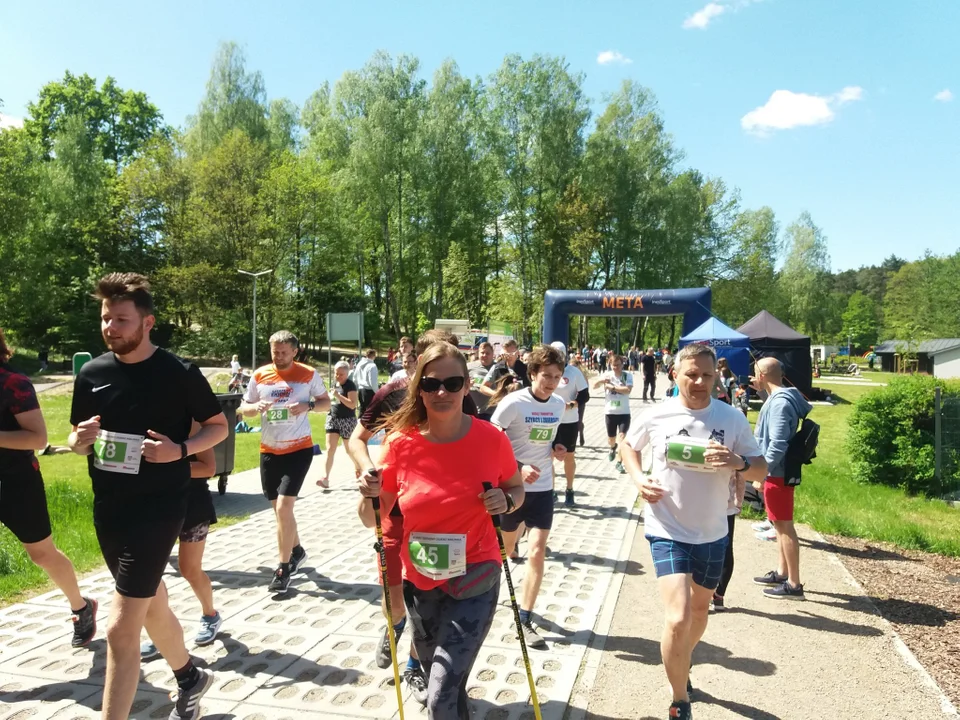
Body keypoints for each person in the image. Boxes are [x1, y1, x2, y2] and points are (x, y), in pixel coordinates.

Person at [68, 273, 229, 720]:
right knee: (152, 605)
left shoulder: (178, 373)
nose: (110, 327)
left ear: (148, 322)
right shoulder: (92, 372)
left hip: (159, 510)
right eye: (105, 319)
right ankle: (190, 675)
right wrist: (79, 439)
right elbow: (79, 441)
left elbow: (219, 426)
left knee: (122, 630)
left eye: (121, 319)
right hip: (109, 510)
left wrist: (178, 450)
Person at [357, 341, 523, 720]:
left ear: (467, 386)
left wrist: (507, 502)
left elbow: (517, 489)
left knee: (440, 693)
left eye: (452, 382)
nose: (442, 392)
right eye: (431, 385)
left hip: (476, 572)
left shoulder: (491, 438)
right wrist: (367, 491)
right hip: (422, 578)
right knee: (445, 684)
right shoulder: (400, 444)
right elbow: (372, 518)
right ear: (419, 390)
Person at [621, 343, 767, 720]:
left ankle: (683, 658)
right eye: (691, 374)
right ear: (675, 375)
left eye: (706, 374)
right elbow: (628, 446)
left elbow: (761, 470)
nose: (700, 381)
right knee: (678, 617)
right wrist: (638, 480)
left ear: (716, 375)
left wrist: (738, 462)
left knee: (699, 612)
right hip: (666, 526)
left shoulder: (731, 418)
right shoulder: (657, 415)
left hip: (714, 531)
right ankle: (679, 697)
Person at [347, 329, 473, 704]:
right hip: (394, 507)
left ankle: (416, 666)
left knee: (429, 596)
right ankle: (394, 623)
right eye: (423, 359)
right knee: (395, 591)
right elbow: (357, 438)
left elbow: (474, 443)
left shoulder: (458, 393)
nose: (441, 387)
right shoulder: (393, 392)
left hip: (436, 516)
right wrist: (371, 469)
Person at [0, 328, 97, 648]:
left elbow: (38, 439)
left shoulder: (13, 383)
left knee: (41, 553)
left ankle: (80, 607)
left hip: (15, 481)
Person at [239, 330, 330, 593]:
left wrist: (308, 407)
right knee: (280, 511)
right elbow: (243, 408)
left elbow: (326, 403)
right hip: (269, 450)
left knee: (283, 507)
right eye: (274, 352)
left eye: (282, 352)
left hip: (298, 449)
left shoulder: (308, 374)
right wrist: (253, 409)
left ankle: (283, 568)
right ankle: (298, 550)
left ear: (294, 351)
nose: (277, 356)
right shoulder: (260, 375)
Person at [490, 344, 567, 650]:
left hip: (544, 489)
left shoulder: (558, 404)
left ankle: (525, 616)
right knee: (506, 548)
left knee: (537, 551)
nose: (551, 382)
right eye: (546, 375)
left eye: (557, 376)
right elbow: (491, 440)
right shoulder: (514, 403)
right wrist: (518, 468)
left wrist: (556, 448)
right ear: (533, 373)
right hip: (512, 489)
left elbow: (547, 438)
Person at [141, 421, 223, 660]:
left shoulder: (192, 422)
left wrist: (169, 463)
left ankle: (210, 614)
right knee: (150, 574)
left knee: (189, 569)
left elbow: (208, 468)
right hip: (152, 507)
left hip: (192, 506)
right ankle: (161, 632)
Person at [751, 357, 812, 600]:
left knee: (785, 527)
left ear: (763, 376)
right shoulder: (777, 399)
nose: (752, 378)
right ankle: (782, 572)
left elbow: (777, 444)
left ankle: (794, 585)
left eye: (755, 374)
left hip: (777, 473)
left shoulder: (779, 404)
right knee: (778, 525)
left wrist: (761, 471)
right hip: (777, 472)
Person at [548, 342, 588, 507]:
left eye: (560, 354)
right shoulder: (546, 371)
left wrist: (572, 404)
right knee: (547, 456)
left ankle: (569, 489)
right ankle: (551, 490)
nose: (558, 358)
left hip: (569, 420)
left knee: (569, 456)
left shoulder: (573, 372)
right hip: (549, 419)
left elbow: (585, 394)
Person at [317, 361, 358, 489]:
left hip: (347, 420)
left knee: (349, 449)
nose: (338, 376)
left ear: (347, 374)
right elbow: (332, 399)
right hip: (333, 417)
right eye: (336, 373)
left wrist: (338, 395)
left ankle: (359, 469)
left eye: (341, 374)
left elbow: (353, 404)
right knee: (330, 449)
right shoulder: (335, 383)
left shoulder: (350, 385)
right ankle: (325, 478)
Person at [592, 354, 633, 474]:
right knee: (611, 439)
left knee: (622, 438)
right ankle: (612, 447)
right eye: (613, 365)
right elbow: (594, 386)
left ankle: (619, 462)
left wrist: (613, 387)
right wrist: (601, 381)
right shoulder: (607, 375)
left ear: (622, 364)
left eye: (618, 365)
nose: (616, 367)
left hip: (624, 412)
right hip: (610, 412)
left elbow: (628, 390)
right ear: (610, 365)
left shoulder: (627, 375)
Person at [711, 471, 746, 611]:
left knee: (700, 546)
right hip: (727, 503)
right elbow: (742, 474)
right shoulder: (732, 448)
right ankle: (719, 596)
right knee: (726, 549)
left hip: (702, 504)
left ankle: (700, 593)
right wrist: (739, 501)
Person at [467, 342, 496, 421]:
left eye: (487, 353)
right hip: (472, 410)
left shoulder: (498, 368)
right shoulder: (469, 367)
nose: (484, 355)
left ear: (492, 354)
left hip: (491, 412)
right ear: (478, 353)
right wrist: (467, 385)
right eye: (482, 353)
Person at [354, 348, 379, 416]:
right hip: (369, 391)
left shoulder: (359, 364)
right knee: (370, 411)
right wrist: (377, 392)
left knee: (362, 410)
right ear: (374, 356)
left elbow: (355, 378)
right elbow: (372, 381)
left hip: (360, 389)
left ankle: (359, 424)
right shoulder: (372, 366)